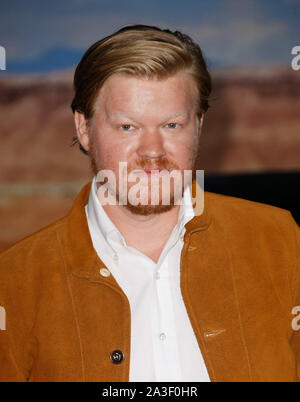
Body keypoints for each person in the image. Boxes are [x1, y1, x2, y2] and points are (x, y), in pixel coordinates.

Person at [0, 24, 299, 382]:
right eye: (127, 127)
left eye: (172, 125)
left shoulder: (281, 241)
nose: (153, 151)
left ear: (199, 126)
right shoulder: (14, 280)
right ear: (84, 129)